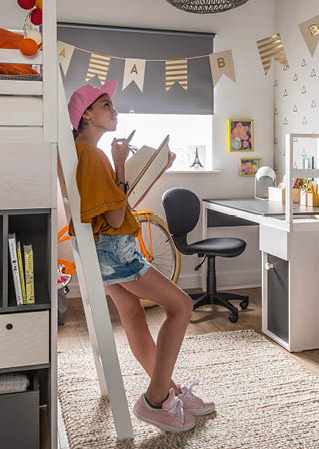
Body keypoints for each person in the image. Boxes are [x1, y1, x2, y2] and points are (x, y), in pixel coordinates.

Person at [68, 81, 214, 433]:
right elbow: (118, 218)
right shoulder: (95, 156)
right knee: (182, 306)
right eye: (106, 105)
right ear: (86, 114)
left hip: (100, 251)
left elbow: (117, 205)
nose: (114, 111)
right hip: (115, 251)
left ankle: (169, 393)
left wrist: (153, 169)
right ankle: (154, 399)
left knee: (133, 315)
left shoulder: (80, 153)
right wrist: (120, 165)